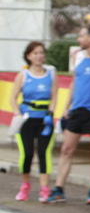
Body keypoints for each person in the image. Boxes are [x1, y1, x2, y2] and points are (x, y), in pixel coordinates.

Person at [48, 26, 90, 203]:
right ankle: (59, 188)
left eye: (81, 36)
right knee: (67, 149)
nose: (78, 39)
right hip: (77, 109)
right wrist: (67, 106)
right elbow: (75, 81)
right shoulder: (78, 56)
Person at [10, 42, 57, 203]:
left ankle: (44, 190)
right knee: (28, 153)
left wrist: (50, 114)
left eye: (42, 53)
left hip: (45, 120)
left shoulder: (51, 74)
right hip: (26, 120)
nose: (39, 56)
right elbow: (12, 97)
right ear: (29, 56)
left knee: (44, 153)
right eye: (35, 53)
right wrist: (17, 112)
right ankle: (25, 186)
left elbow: (54, 96)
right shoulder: (23, 75)